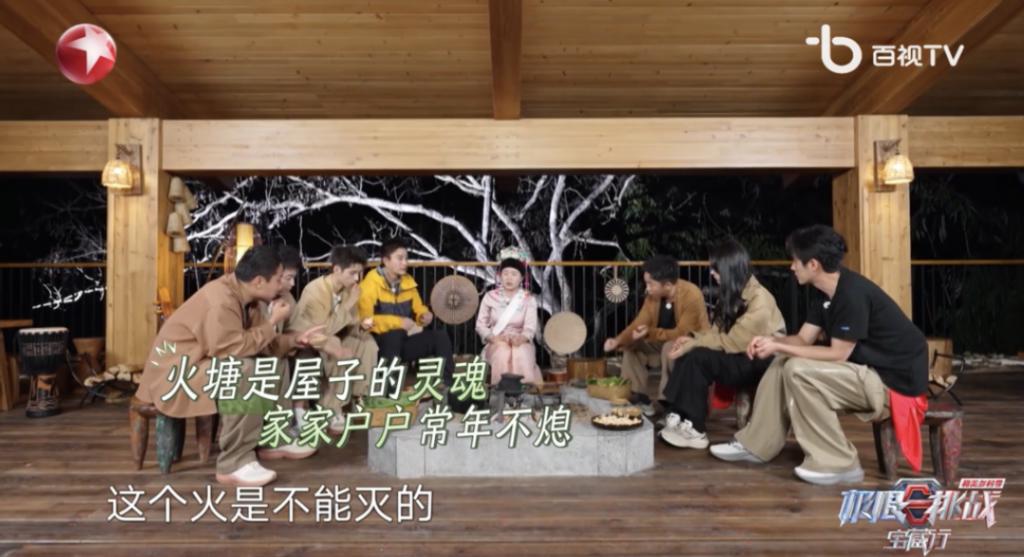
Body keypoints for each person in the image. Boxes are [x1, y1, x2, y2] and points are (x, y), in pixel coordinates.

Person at [709, 225, 930, 486]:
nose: (792, 267)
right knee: (782, 362)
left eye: (795, 261)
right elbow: (803, 339)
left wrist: (781, 347)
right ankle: (756, 445)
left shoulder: (852, 294)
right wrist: (773, 341)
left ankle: (838, 462)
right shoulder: (825, 295)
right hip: (865, 374)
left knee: (797, 369)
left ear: (813, 265)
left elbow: (837, 354)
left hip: (893, 387)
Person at [136, 245, 324, 487]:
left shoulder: (249, 298)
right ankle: (234, 462)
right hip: (177, 373)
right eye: (278, 279)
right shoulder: (220, 301)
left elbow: (263, 344)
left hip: (205, 361)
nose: (282, 286)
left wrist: (295, 340)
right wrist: (272, 322)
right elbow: (231, 349)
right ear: (258, 281)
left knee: (272, 362)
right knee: (243, 371)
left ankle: (274, 437)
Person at [658, 238, 785, 450]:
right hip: (739, 354)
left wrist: (694, 344)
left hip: (760, 360)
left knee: (698, 357)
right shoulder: (730, 293)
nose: (711, 273)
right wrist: (692, 338)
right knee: (688, 352)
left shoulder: (760, 299)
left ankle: (696, 429)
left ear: (729, 269)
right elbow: (715, 333)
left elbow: (734, 341)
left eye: (715, 269)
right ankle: (679, 415)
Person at [289, 245, 379, 434]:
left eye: (359, 273)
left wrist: (361, 327)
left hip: (335, 335)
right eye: (352, 273)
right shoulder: (315, 290)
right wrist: (350, 303)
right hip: (311, 340)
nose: (357, 279)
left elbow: (351, 322)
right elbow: (323, 329)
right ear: (337, 269)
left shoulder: (347, 290)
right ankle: (331, 409)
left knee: (368, 344)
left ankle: (360, 397)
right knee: (336, 348)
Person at [603, 254, 710, 409]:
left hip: (692, 343)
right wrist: (618, 340)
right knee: (632, 347)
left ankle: (667, 403)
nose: (647, 288)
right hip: (662, 343)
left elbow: (682, 333)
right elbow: (639, 323)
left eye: (650, 284)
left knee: (669, 347)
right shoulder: (653, 296)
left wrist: (650, 333)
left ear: (667, 285)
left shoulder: (691, 295)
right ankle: (637, 397)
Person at [358, 238, 456, 384]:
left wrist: (424, 316)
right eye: (400, 258)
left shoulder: (407, 281)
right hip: (377, 343)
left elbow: (418, 308)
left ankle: (448, 385)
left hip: (403, 341)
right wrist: (398, 322)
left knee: (440, 337)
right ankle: (389, 390)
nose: (405, 263)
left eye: (406, 258)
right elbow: (366, 321)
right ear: (386, 260)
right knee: (394, 335)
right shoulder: (370, 284)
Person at [475, 257, 542, 385]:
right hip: (497, 339)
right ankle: (500, 389)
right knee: (502, 352)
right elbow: (480, 325)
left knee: (521, 352)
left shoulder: (528, 299)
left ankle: (525, 389)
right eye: (505, 274)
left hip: (520, 339)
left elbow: (530, 327)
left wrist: (522, 338)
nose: (509, 278)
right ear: (500, 276)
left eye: (514, 274)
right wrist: (493, 338)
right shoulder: (490, 297)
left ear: (521, 278)